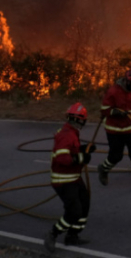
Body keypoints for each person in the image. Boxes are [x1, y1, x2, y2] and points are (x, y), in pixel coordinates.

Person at [45, 103, 96, 252]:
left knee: (84, 204)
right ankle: (53, 234)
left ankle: (72, 236)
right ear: (81, 120)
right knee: (74, 211)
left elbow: (70, 149)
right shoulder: (67, 134)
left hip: (74, 178)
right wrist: (82, 158)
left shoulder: (71, 132)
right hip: (63, 180)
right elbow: (63, 158)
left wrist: (83, 149)